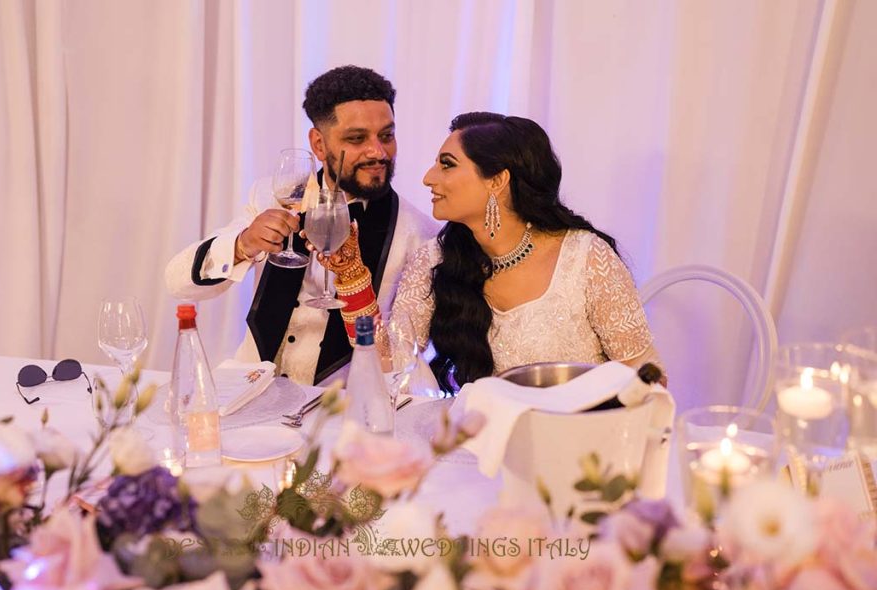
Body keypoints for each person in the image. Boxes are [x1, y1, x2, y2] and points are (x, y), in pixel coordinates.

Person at [328, 112, 663, 394]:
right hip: (483, 453)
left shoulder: (585, 258)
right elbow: (391, 365)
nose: (428, 178)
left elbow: (646, 377)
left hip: (580, 445)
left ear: (497, 181)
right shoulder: (434, 260)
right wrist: (350, 274)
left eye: (447, 165)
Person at [165, 65, 437, 385]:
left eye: (387, 136)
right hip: (252, 388)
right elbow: (178, 282)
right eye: (357, 138)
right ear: (318, 144)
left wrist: (354, 283)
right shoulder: (273, 195)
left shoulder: (420, 234)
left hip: (342, 404)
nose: (378, 152)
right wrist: (242, 245)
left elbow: (404, 364)